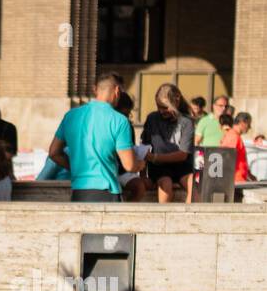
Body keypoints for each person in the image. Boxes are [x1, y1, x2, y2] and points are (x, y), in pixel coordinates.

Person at [48, 72, 140, 203]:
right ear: (117, 90)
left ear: (95, 89)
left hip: (78, 191)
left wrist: (76, 166)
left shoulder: (70, 116)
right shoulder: (120, 120)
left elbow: (53, 153)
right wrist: (140, 164)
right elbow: (130, 165)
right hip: (106, 191)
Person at [141, 83, 195, 203]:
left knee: (193, 184)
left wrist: (155, 157)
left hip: (182, 166)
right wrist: (143, 176)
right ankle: (162, 217)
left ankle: (189, 217)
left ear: (176, 101)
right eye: (158, 107)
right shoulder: (152, 118)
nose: (161, 111)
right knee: (166, 183)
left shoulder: (187, 122)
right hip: (159, 168)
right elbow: (144, 147)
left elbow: (183, 155)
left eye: (165, 107)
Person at [114, 91, 149, 202]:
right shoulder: (111, 123)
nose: (126, 117)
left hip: (124, 170)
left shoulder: (127, 125)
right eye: (124, 114)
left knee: (140, 186)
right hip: (110, 169)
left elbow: (132, 150)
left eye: (128, 114)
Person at [222, 112, 256, 182]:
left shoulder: (234, 136)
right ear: (242, 123)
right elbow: (227, 159)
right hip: (235, 180)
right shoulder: (233, 137)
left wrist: (249, 174)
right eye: (248, 124)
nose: (249, 127)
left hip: (237, 179)